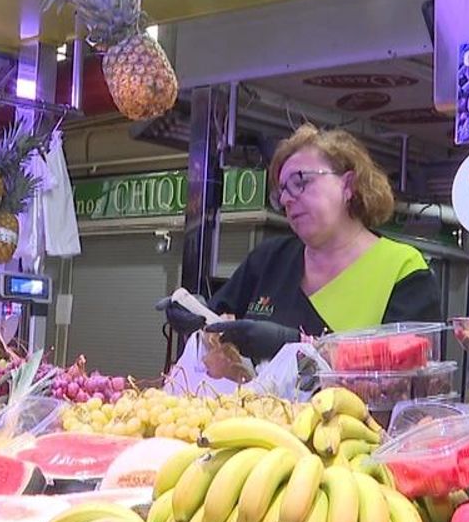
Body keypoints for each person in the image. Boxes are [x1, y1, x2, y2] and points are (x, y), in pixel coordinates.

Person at [164, 124, 441, 361]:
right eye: (282, 191)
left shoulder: (401, 268)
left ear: (348, 186)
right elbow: (218, 319)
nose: (286, 199)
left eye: (300, 181)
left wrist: (295, 345)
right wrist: (195, 310)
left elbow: (407, 368)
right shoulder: (268, 259)